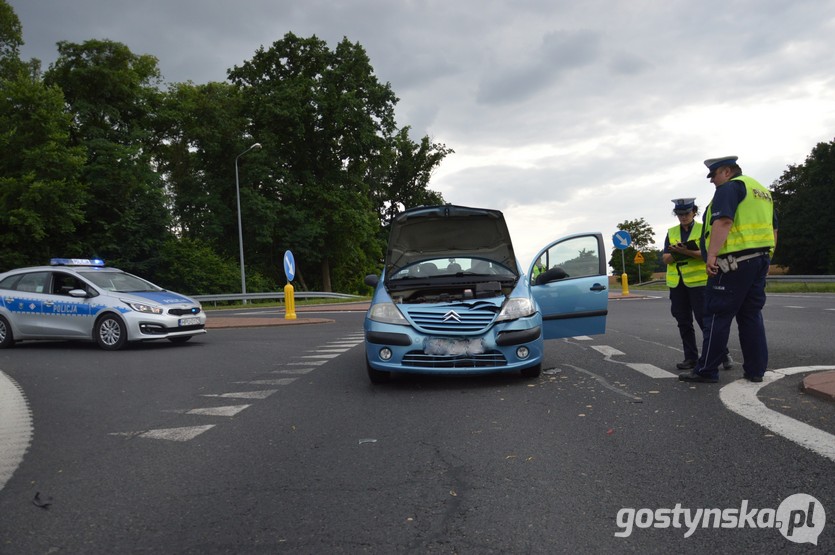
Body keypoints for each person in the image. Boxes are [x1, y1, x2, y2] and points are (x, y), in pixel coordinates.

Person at [679, 156, 777, 384]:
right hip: (759, 258)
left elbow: (723, 222)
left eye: (713, 176)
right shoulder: (761, 191)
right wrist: (768, 258)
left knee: (716, 315)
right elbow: (774, 229)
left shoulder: (730, 188)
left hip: (733, 262)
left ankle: (706, 370)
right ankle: (755, 371)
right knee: (751, 315)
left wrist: (711, 255)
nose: (712, 181)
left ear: (726, 171)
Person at [663, 198, 733, 370]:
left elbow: (708, 253)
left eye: (686, 213)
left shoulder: (703, 229)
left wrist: (685, 251)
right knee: (683, 321)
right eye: (679, 214)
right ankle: (690, 358)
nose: (683, 217)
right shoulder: (671, 232)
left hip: (699, 283)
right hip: (677, 283)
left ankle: (723, 354)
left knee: (705, 321)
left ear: (694, 212)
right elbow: (665, 258)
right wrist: (676, 253)